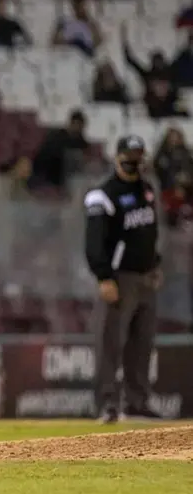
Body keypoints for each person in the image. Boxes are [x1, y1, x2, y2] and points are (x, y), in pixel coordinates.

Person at [84, 136, 163, 424]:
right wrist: (104, 276)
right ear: (117, 157)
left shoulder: (146, 190)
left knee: (142, 345)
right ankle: (107, 404)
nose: (135, 161)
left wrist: (155, 263)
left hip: (146, 277)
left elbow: (150, 232)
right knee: (110, 343)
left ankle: (137, 402)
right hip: (120, 278)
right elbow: (94, 242)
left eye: (139, 155)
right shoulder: (103, 195)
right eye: (130, 155)